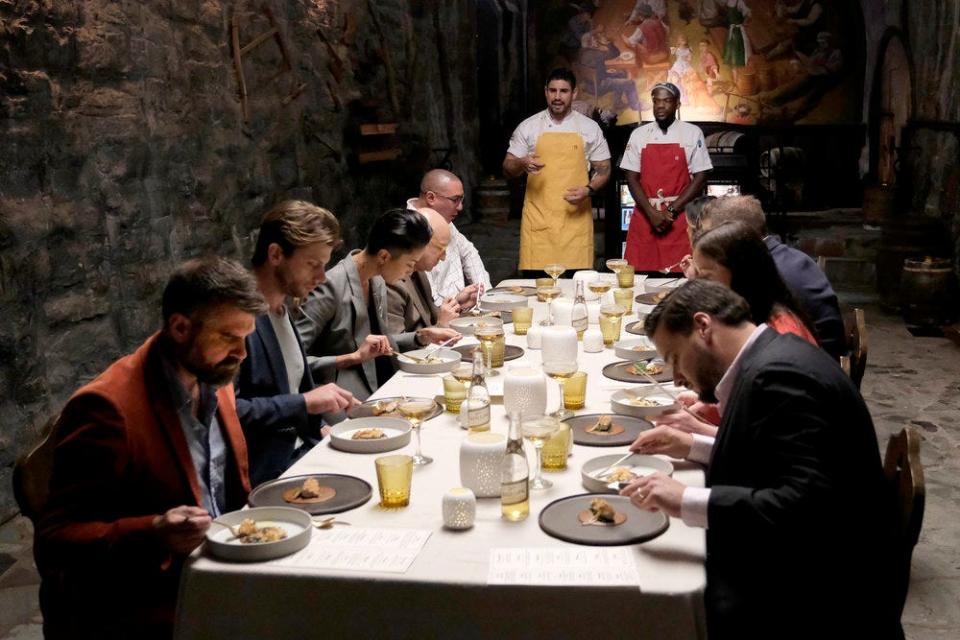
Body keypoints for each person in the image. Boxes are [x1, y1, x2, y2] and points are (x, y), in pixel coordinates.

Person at [620, 279, 898, 639]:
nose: (675, 378)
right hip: (807, 569)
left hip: (817, 602)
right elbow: (766, 455)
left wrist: (683, 499)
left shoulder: (781, 375)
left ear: (703, 327)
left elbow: (805, 508)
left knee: (648, 601)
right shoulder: (769, 357)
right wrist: (692, 445)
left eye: (674, 358)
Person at [35, 257, 267, 639]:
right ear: (180, 327)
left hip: (221, 572)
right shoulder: (108, 409)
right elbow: (55, 540)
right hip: (145, 605)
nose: (242, 353)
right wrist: (154, 531)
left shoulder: (214, 375)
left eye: (247, 337)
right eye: (229, 337)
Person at [238, 200, 360, 486]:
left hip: (306, 452)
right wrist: (304, 403)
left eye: (325, 265)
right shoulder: (238, 320)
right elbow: (227, 412)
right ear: (276, 254)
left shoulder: (282, 308)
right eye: (312, 265)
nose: (321, 277)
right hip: (270, 473)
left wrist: (321, 428)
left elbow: (289, 388)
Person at [294, 209, 460, 417]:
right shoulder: (330, 287)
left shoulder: (378, 279)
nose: (411, 271)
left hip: (380, 389)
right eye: (410, 264)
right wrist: (350, 358)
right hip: (337, 402)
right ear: (384, 256)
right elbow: (293, 362)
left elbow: (380, 343)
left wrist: (422, 336)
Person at [697, 195, 845, 358]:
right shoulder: (784, 255)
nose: (702, 241)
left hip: (811, 362)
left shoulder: (765, 272)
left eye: (709, 235)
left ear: (734, 234)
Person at [503, 67, 612, 273]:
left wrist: (589, 190)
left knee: (575, 293)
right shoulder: (529, 127)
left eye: (563, 91)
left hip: (575, 224)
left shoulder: (589, 128)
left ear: (574, 93)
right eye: (553, 91)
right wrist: (521, 163)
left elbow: (604, 169)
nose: (558, 97)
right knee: (536, 292)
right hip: (539, 224)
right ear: (546, 92)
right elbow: (508, 168)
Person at [620, 82, 712, 272]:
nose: (660, 106)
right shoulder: (639, 135)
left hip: (679, 220)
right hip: (646, 216)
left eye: (667, 101)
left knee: (682, 276)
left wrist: (670, 211)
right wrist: (652, 214)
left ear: (677, 104)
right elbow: (631, 177)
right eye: (656, 101)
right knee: (639, 275)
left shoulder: (692, 133)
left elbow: (701, 177)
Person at [692, 221, 817, 344]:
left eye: (706, 277)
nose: (699, 287)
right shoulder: (752, 315)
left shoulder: (781, 335)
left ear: (740, 273)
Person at [406, 169, 488, 306]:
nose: (460, 207)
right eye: (455, 200)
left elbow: (468, 251)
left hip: (455, 307)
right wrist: (455, 306)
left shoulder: (441, 217)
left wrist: (483, 292)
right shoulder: (412, 228)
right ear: (431, 198)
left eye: (462, 200)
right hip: (437, 316)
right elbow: (430, 301)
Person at [386, 208, 461, 334]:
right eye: (440, 249)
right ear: (422, 244)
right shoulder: (391, 280)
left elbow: (427, 318)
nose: (443, 257)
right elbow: (394, 345)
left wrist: (458, 303)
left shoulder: (420, 272)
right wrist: (441, 326)